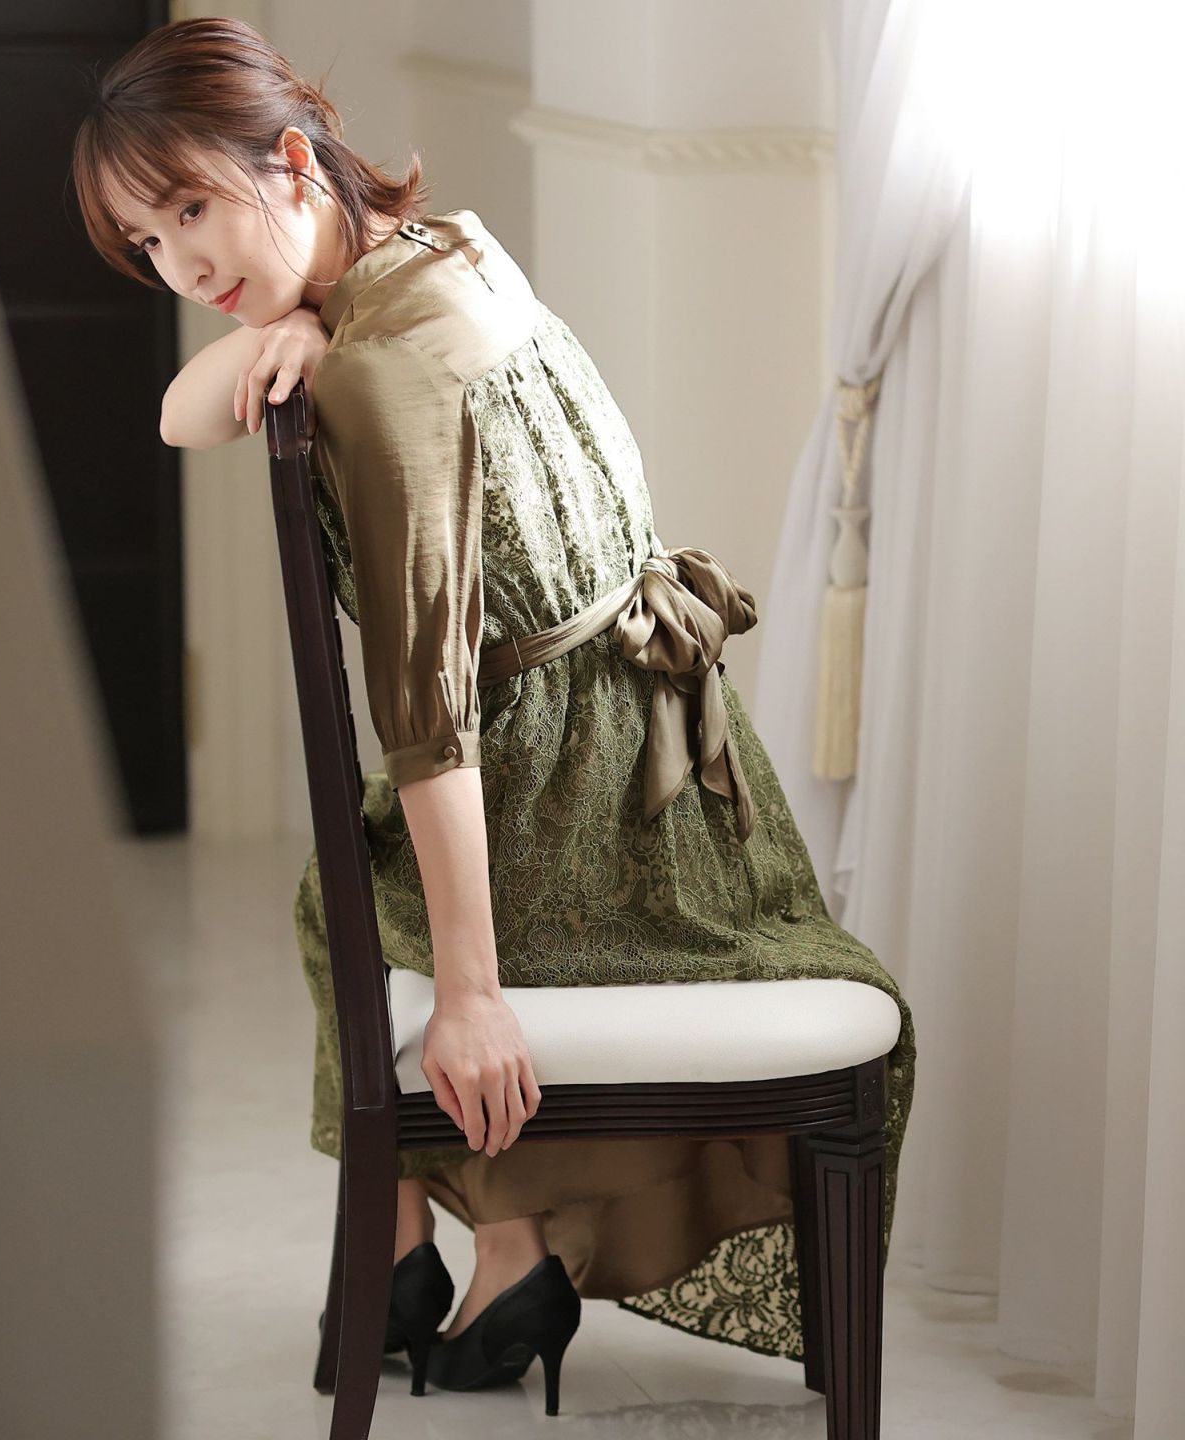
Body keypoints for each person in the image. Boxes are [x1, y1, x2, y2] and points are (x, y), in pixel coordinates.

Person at [72, 15, 917, 1406]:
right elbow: (180, 411)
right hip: (659, 740)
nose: (182, 265)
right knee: (353, 883)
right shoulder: (445, 250)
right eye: (146, 242)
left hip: (597, 803)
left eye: (192, 210)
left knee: (357, 894)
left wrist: (471, 996)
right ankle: (461, 1251)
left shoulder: (379, 375)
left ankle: (457, 1247)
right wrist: (283, 321)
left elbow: (432, 716)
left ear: (292, 164)